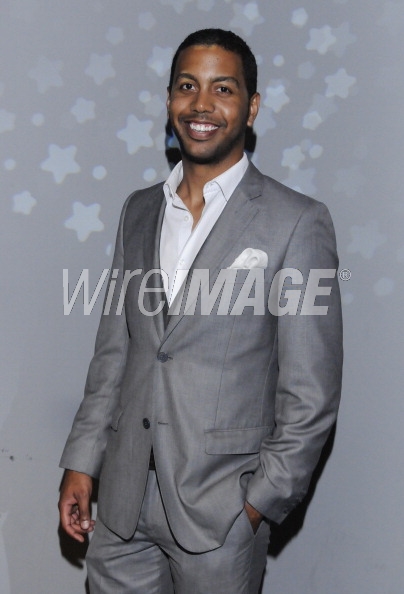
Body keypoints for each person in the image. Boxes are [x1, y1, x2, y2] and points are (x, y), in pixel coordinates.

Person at [59, 28, 343, 594]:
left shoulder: (296, 221)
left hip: (221, 512)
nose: (202, 104)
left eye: (223, 89)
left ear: (251, 107)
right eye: (187, 86)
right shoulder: (139, 211)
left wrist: (258, 504)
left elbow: (311, 392)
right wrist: (83, 460)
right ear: (169, 100)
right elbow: (115, 352)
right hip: (121, 504)